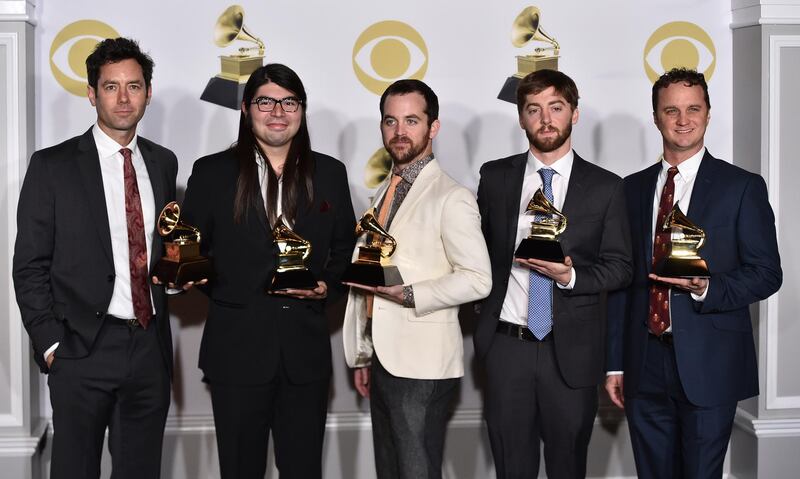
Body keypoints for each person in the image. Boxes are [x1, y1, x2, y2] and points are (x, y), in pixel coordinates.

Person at [180, 63, 356, 479]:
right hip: (235, 353)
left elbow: (347, 249)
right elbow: (189, 253)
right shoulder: (211, 172)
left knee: (303, 469)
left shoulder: (330, 172)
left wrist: (325, 289)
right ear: (245, 109)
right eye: (265, 101)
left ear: (301, 109)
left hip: (305, 356)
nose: (278, 111)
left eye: (289, 101)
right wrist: (233, 295)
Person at [605, 68, 782, 478]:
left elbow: (767, 273)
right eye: (672, 110)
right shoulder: (630, 189)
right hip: (643, 359)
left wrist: (708, 287)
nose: (683, 120)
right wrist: (615, 363)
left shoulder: (742, 187)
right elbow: (622, 283)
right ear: (656, 116)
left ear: (708, 113)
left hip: (710, 362)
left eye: (693, 109)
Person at [12, 38, 176, 478]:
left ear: (148, 92)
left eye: (134, 86)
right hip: (80, 348)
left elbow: (162, 250)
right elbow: (29, 265)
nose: (124, 98)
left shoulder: (163, 163)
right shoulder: (52, 166)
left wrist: (175, 276)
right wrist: (51, 345)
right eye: (111, 87)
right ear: (91, 93)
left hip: (148, 347)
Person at [474, 69, 632, 478]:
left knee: (568, 467)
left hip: (573, 352)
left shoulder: (607, 187)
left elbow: (621, 267)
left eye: (556, 108)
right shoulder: (495, 177)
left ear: (574, 114)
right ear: (522, 118)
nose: (546, 119)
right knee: (511, 466)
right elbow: (476, 254)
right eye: (534, 109)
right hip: (507, 346)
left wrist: (570, 277)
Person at [342, 79, 492, 479]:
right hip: (383, 357)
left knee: (417, 471)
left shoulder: (452, 196)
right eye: (391, 121)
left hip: (423, 366)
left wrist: (408, 294)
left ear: (434, 127)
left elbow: (478, 280)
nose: (400, 131)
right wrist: (364, 350)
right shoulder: (381, 194)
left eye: (412, 120)